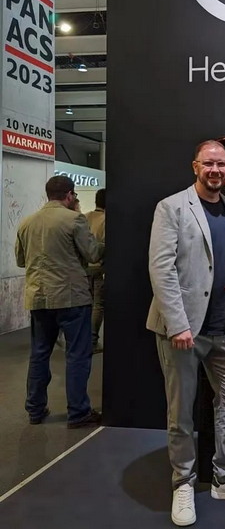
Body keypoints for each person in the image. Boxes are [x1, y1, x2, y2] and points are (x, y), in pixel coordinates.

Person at [147, 140, 225, 527]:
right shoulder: (172, 207)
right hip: (182, 330)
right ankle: (183, 483)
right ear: (195, 166)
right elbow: (161, 269)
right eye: (208, 164)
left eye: (221, 165)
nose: (215, 170)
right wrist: (178, 324)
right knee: (181, 412)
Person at [15, 175, 104, 428]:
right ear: (69, 195)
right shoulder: (74, 219)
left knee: (39, 354)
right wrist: (106, 244)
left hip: (38, 298)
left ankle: (35, 410)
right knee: (77, 355)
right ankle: (78, 412)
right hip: (71, 297)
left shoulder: (26, 222)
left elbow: (21, 261)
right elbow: (93, 254)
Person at [85, 188, 106, 353]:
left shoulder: (84, 217)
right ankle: (92, 341)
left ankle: (85, 339)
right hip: (99, 267)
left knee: (88, 304)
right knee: (98, 305)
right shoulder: (107, 220)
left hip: (84, 268)